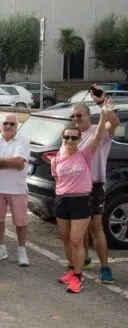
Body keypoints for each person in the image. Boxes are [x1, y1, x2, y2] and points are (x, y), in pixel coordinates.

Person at [52, 99, 112, 294]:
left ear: (79, 140)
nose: (69, 140)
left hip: (84, 196)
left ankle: (90, 273)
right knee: (65, 238)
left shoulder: (86, 152)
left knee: (84, 235)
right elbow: (56, 178)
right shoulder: (58, 156)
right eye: (66, 137)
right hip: (63, 200)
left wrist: (103, 113)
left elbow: (100, 135)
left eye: (73, 138)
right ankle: (73, 269)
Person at [70, 94, 117, 284]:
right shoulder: (71, 135)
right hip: (76, 187)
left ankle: (105, 267)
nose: (76, 119)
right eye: (73, 116)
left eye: (79, 115)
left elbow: (113, 122)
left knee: (96, 227)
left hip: (95, 184)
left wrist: (102, 104)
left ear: (89, 116)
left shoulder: (99, 132)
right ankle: (86, 260)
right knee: (80, 227)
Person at [0, 114, 31, 266]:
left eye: (12, 123)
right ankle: (1, 249)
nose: (8, 126)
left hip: (17, 189)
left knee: (20, 222)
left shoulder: (23, 140)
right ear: (1, 124)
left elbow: (19, 161)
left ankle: (22, 251)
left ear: (17, 126)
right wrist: (12, 163)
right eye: (5, 123)